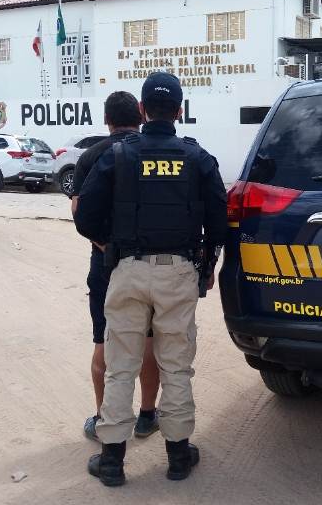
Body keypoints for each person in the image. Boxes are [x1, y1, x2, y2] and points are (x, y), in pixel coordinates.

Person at [74, 72, 227, 486]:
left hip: (127, 270)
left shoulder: (118, 155)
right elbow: (219, 222)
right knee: (176, 366)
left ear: (143, 111)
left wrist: (113, 247)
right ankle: (178, 457)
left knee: (120, 366)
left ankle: (112, 462)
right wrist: (208, 266)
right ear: (179, 111)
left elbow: (85, 217)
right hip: (179, 272)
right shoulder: (198, 158)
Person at [70, 91, 161, 442]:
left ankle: (103, 418)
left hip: (106, 263)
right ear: (140, 114)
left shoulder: (91, 156)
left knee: (105, 339)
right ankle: (147, 415)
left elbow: (79, 212)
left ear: (106, 119)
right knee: (148, 338)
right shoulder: (152, 151)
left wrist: (105, 245)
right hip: (149, 260)